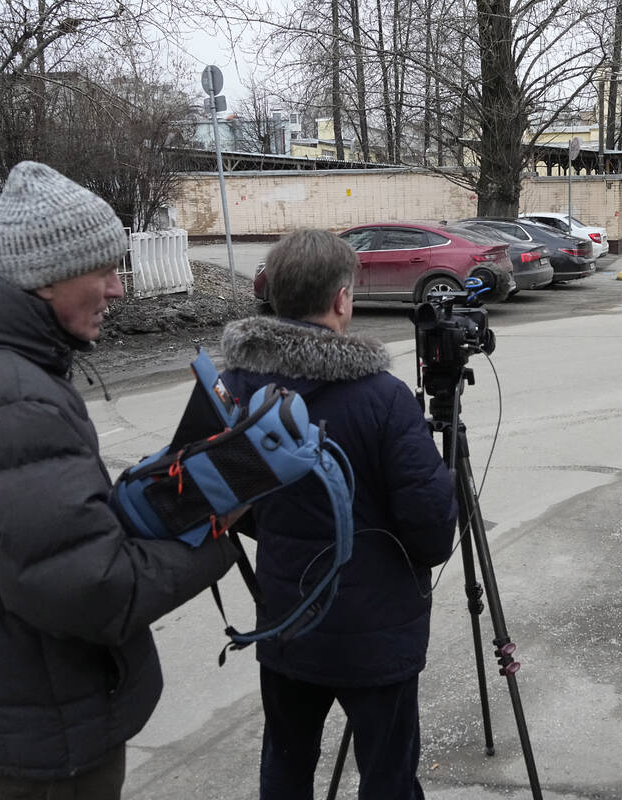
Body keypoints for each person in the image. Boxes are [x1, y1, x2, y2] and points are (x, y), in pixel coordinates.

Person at [0, 161, 240, 798]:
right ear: (45, 279)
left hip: (5, 688)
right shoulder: (9, 401)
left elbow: (40, 537)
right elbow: (89, 589)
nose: (119, 289)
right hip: (50, 715)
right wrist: (214, 540)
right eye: (104, 270)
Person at [218, 228, 457, 800]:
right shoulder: (382, 396)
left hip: (287, 619)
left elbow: (229, 503)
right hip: (376, 635)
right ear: (343, 298)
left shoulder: (235, 389)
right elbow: (431, 531)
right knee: (387, 774)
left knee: (287, 762)